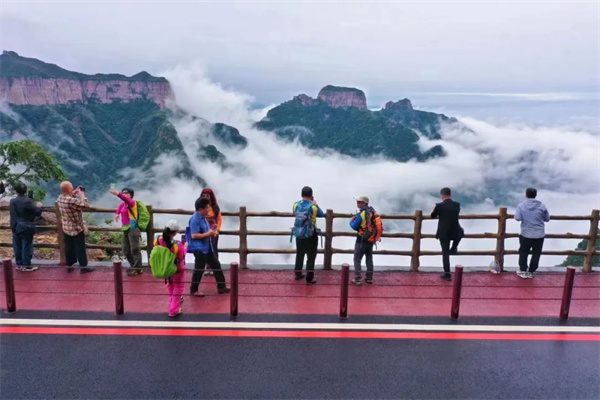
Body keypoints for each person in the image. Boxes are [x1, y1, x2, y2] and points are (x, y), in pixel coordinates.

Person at [188, 197, 230, 296]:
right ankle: (194, 289)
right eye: (206, 207)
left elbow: (207, 230)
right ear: (200, 209)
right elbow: (194, 235)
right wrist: (208, 234)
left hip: (208, 247)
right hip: (200, 249)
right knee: (199, 269)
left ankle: (221, 287)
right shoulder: (194, 220)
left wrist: (212, 232)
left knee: (216, 265)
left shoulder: (203, 218)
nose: (208, 209)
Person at [56, 181, 95, 274]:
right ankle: (83, 267)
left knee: (69, 247)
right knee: (80, 248)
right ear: (69, 189)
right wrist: (82, 195)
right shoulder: (72, 201)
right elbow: (87, 206)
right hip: (76, 228)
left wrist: (73, 193)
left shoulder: (60, 198)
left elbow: (67, 198)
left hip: (66, 227)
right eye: (72, 188)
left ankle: (69, 265)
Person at [515, 188, 550, 279]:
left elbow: (517, 218)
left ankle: (523, 270)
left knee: (523, 252)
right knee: (536, 254)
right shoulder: (542, 206)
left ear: (526, 195)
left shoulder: (521, 206)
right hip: (539, 235)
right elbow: (547, 219)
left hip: (526, 234)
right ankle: (531, 271)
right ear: (535, 195)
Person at [154, 220, 187, 317]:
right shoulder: (177, 245)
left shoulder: (157, 239)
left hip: (165, 267)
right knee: (178, 287)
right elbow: (181, 257)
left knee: (170, 284)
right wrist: (185, 247)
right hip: (177, 269)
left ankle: (172, 301)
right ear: (175, 232)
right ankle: (173, 310)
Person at [292, 186, 325, 284]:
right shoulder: (313, 207)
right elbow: (321, 214)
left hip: (299, 233)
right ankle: (309, 278)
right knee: (311, 256)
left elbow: (294, 213)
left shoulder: (296, 205)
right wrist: (315, 204)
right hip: (311, 234)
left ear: (301, 194)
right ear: (311, 195)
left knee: (300, 254)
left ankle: (298, 273)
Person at [431, 187, 463, 281]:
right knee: (461, 232)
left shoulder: (439, 206)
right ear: (450, 195)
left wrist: (434, 209)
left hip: (443, 232)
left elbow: (433, 216)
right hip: (455, 230)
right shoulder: (457, 205)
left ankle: (447, 273)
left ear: (442, 195)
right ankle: (453, 249)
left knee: (445, 253)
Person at [9, 182, 43, 272]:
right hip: (26, 227)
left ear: (16, 191)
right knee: (26, 246)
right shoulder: (28, 201)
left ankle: (19, 264)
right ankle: (26, 265)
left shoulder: (12, 201)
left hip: (15, 226)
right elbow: (37, 212)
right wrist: (39, 206)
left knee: (17, 246)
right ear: (25, 190)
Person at [110, 187, 143, 276]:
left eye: (126, 193)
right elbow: (119, 208)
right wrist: (117, 214)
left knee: (135, 248)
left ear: (130, 195)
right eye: (123, 193)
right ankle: (133, 266)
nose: (124, 194)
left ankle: (138, 268)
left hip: (133, 228)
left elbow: (125, 199)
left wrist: (118, 194)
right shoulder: (123, 204)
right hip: (125, 229)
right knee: (125, 250)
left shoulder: (132, 203)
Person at [349, 195, 375, 285]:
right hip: (371, 238)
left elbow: (355, 226)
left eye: (359, 202)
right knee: (369, 258)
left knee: (357, 259)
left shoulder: (362, 214)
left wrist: (351, 221)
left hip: (361, 239)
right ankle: (369, 278)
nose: (357, 203)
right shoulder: (372, 211)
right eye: (357, 202)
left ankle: (357, 278)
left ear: (365, 203)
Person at [200, 188, 222, 276]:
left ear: (211, 196)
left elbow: (219, 219)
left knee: (213, 248)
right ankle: (207, 267)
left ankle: (214, 267)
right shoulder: (200, 206)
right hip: (203, 229)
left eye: (207, 196)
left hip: (213, 229)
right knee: (204, 248)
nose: (205, 197)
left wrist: (217, 229)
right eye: (204, 196)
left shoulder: (215, 207)